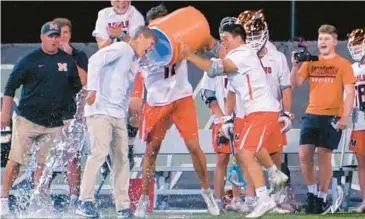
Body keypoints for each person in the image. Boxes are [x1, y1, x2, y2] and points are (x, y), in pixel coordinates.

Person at [184, 23, 289, 218]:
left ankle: (263, 198)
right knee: (250, 149)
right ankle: (275, 173)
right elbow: (231, 91)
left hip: (262, 109)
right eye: (222, 38)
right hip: (252, 111)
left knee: (246, 153)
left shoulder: (242, 53)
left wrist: (189, 55)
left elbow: (215, 68)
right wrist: (228, 117)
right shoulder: (238, 54)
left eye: (226, 38)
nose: (223, 42)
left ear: (238, 38)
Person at [133, 4, 220, 217]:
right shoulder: (144, 46)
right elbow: (135, 72)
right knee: (151, 150)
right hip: (156, 101)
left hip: (181, 97)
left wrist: (203, 40)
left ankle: (207, 194)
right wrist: (136, 97)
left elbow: (209, 44)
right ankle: (144, 198)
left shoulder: (181, 38)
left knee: (193, 145)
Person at [0, 21, 82, 216]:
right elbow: (10, 86)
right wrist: (4, 112)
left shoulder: (68, 61)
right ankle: (3, 199)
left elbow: (76, 90)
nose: (54, 39)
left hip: (53, 123)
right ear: (42, 37)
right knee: (15, 160)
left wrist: (76, 116)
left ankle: (39, 201)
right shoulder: (29, 59)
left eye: (56, 36)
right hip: (27, 120)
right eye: (50, 36)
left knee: (44, 165)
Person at [75, 26, 156, 218]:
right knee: (99, 153)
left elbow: (125, 90)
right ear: (141, 37)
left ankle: (123, 207)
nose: (150, 48)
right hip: (100, 110)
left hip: (118, 114)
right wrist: (92, 89)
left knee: (122, 159)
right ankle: (84, 201)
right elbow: (95, 60)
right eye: (150, 44)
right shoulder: (122, 48)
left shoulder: (135, 60)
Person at [290, 24, 356, 214]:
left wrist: (345, 116)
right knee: (304, 155)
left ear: (335, 41)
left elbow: (350, 92)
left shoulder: (343, 64)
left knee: (324, 156)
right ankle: (312, 194)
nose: (322, 42)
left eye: (326, 39)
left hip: (332, 115)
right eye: (320, 39)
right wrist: (295, 66)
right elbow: (295, 84)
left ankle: (322, 196)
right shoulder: (311, 61)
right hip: (312, 113)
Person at [235, 9, 294, 214]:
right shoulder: (239, 56)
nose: (252, 39)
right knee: (247, 155)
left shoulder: (277, 57)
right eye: (248, 34)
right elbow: (230, 89)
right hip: (247, 112)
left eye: (255, 34)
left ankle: (276, 200)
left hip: (270, 112)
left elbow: (285, 87)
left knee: (274, 155)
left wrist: (286, 112)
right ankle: (255, 199)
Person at [93, 0, 145, 170]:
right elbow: (101, 45)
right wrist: (119, 36)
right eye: (117, 0)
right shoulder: (104, 15)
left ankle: (129, 145)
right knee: (110, 112)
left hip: (132, 70)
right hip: (110, 71)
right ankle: (108, 151)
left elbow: (138, 44)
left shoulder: (136, 16)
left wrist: (119, 35)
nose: (121, 3)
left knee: (134, 108)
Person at [200, 16, 244, 212]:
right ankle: (218, 201)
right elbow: (208, 95)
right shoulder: (215, 62)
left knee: (242, 158)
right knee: (222, 159)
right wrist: (222, 117)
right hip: (222, 119)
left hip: (242, 116)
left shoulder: (244, 59)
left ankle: (238, 200)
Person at [51, 17, 88, 208]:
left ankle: (74, 198)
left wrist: (69, 58)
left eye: (65, 33)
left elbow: (83, 81)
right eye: (58, 33)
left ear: (70, 35)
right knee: (45, 157)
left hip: (73, 116)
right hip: (50, 114)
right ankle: (40, 195)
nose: (62, 37)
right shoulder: (45, 54)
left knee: (73, 156)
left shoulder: (79, 55)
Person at [347, 27, 365, 213]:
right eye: (354, 44)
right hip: (359, 121)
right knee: (362, 164)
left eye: (359, 43)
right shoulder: (352, 69)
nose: (357, 48)